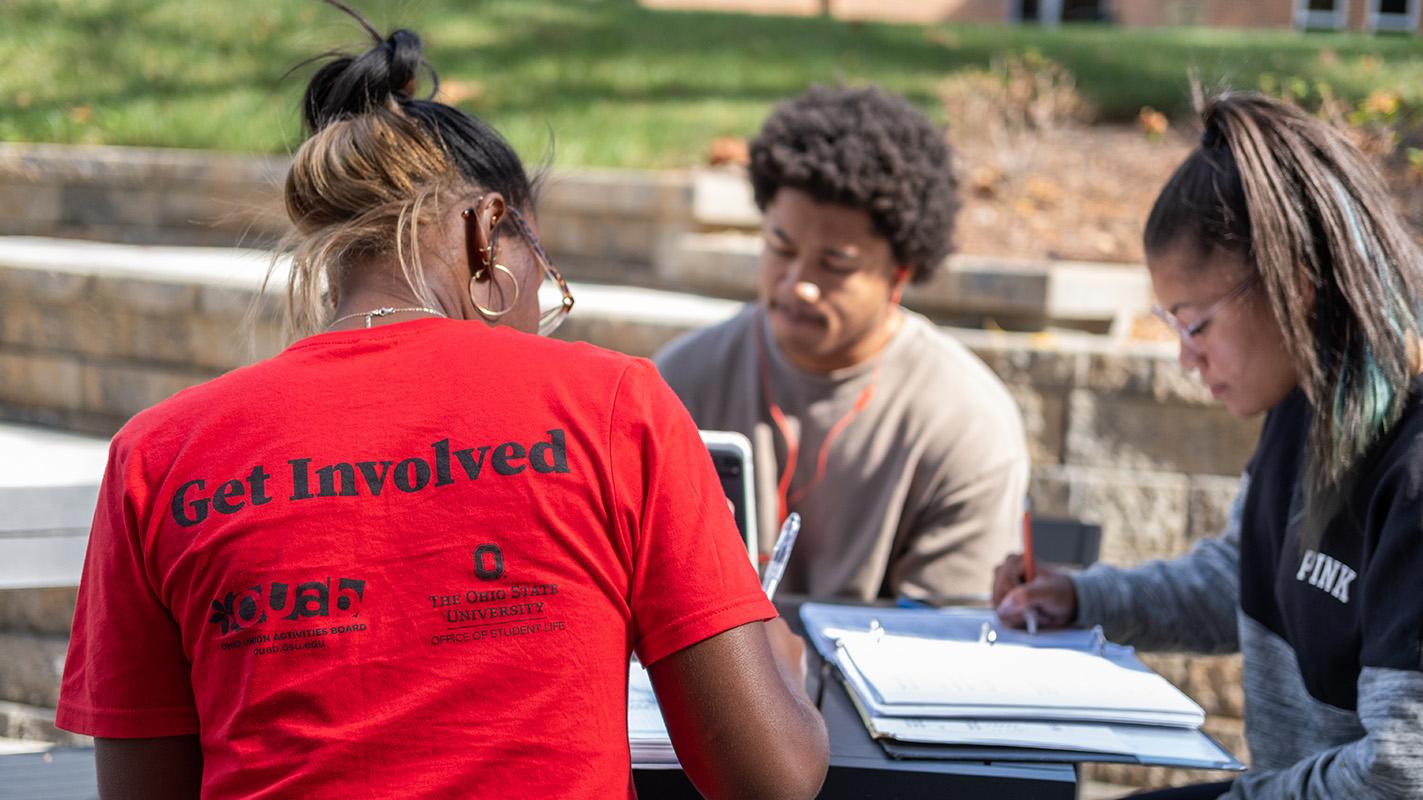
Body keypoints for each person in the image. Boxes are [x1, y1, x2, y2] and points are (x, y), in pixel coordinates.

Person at [54, 6, 828, 799]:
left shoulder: (157, 453)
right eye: (543, 265)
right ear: (486, 233)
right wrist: (776, 655)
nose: (542, 309)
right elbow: (771, 778)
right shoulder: (611, 405)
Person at [993, 92, 1423, 799]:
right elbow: (1248, 579)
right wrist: (1082, 599)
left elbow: (1401, 769)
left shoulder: (1407, 465)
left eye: (1193, 325)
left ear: (1297, 289)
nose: (1184, 359)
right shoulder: (1305, 404)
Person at [655, 85, 1029, 602]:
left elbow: (947, 642)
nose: (798, 284)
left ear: (900, 273)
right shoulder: (678, 382)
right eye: (780, 248)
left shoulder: (965, 421)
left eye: (836, 265)